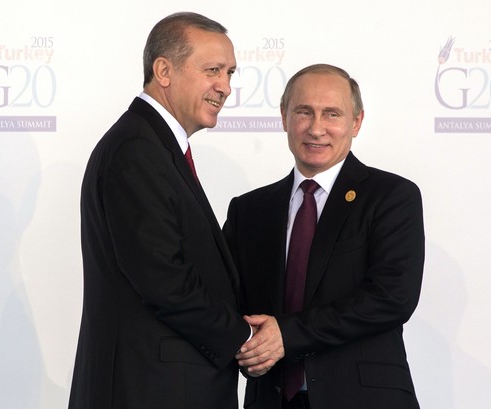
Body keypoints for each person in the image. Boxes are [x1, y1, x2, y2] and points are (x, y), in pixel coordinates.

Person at [68, 12, 252, 409]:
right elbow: (165, 281)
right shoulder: (137, 150)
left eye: (230, 73)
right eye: (213, 70)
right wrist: (246, 340)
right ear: (164, 70)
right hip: (150, 390)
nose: (225, 87)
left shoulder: (153, 146)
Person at [225, 64, 425, 409]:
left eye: (331, 114)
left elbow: (393, 297)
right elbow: (227, 302)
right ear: (284, 117)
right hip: (271, 400)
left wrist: (288, 335)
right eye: (304, 112)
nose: (316, 128)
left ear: (356, 122)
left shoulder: (391, 196)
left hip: (364, 399)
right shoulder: (249, 210)